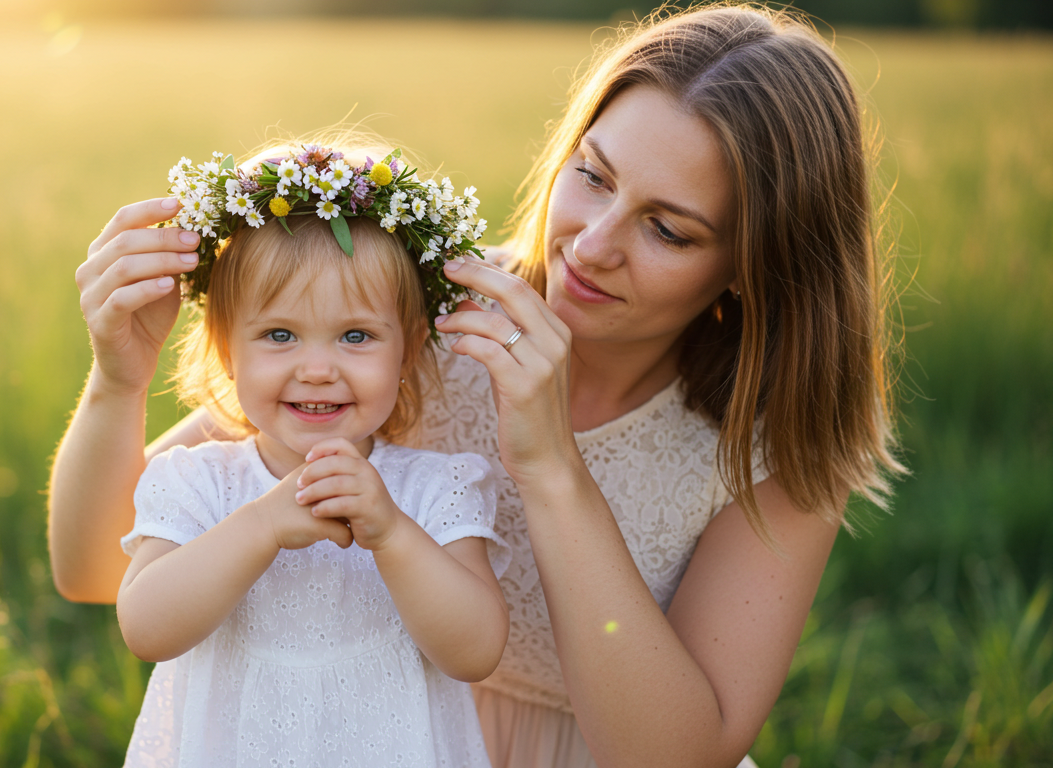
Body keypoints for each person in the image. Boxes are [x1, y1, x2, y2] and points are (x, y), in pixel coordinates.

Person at [48, 4, 904, 766]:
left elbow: (673, 757)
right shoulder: (414, 321)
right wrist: (119, 381)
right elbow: (97, 570)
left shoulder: (771, 444)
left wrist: (551, 468)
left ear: (754, 264)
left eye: (668, 230)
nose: (591, 245)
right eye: (593, 176)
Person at [103, 142, 511, 767]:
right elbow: (147, 628)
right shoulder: (199, 481)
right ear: (227, 349)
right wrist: (262, 524)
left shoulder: (436, 488)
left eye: (356, 336)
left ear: (407, 351)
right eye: (280, 334)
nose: (317, 369)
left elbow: (475, 651)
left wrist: (392, 533)